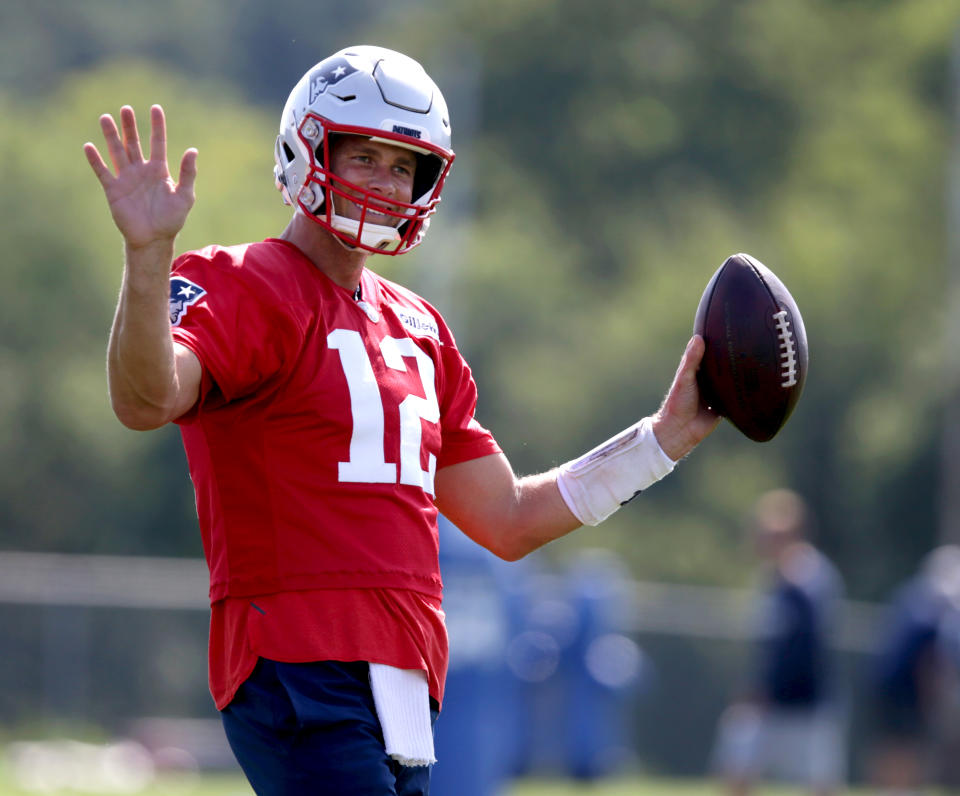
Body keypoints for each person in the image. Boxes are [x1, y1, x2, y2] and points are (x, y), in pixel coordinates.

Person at [83, 45, 718, 795]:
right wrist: (148, 255)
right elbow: (145, 400)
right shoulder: (244, 284)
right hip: (297, 656)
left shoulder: (420, 329)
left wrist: (663, 440)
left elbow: (509, 518)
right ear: (307, 151)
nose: (385, 184)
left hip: (404, 675)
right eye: (363, 157)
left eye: (402, 166)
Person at [712, 488, 846, 796]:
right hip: (768, 701)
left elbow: (806, 647)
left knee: (821, 782)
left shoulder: (810, 579)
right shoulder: (772, 579)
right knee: (737, 766)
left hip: (806, 701)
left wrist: (771, 689)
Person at [867, 545, 960, 794]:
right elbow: (927, 662)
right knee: (907, 752)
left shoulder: (909, 594)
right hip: (905, 689)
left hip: (882, 683)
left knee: (891, 749)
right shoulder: (935, 607)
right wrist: (932, 701)